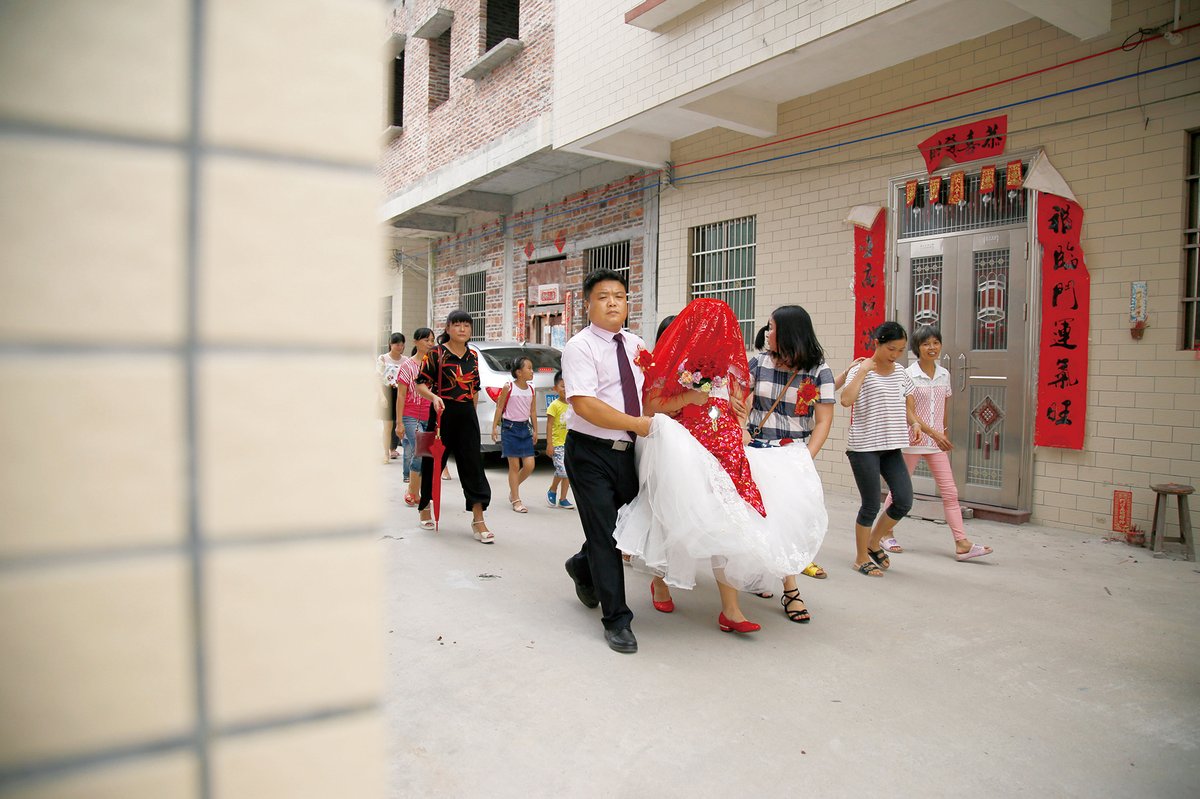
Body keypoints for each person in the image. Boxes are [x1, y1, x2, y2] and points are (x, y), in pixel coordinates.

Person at [617, 299, 823, 634]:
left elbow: (736, 408)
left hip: (725, 451)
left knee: (728, 518)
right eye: (714, 326)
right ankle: (661, 582)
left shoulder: (728, 369)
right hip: (682, 449)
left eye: (724, 327)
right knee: (670, 516)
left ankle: (731, 609)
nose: (721, 333)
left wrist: (738, 420)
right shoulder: (674, 361)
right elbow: (651, 406)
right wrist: (688, 399)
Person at [561, 268, 653, 654]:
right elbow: (584, 404)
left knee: (622, 525)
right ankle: (617, 620)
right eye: (603, 296)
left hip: (630, 452)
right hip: (591, 451)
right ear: (588, 304)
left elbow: (653, 392)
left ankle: (582, 566)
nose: (613, 302)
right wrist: (637, 423)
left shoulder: (636, 345)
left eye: (619, 295)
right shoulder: (580, 347)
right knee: (605, 536)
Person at [743, 304, 834, 621]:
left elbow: (823, 421)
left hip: (793, 453)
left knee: (789, 521)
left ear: (790, 333)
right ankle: (775, 583)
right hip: (757, 450)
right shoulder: (758, 362)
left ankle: (789, 587)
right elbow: (741, 402)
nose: (766, 333)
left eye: (771, 327)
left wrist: (806, 458)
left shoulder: (819, 370)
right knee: (759, 518)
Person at [879, 325, 993, 562]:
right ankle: (885, 532)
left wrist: (943, 432)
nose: (932, 348)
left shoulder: (944, 374)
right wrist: (934, 433)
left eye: (935, 343)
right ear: (916, 348)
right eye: (926, 344)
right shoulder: (907, 375)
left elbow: (944, 407)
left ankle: (962, 543)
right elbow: (908, 412)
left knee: (950, 492)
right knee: (899, 491)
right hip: (913, 440)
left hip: (936, 442)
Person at [840, 321, 923, 577]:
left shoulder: (900, 373)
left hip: (891, 446)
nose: (895, 355)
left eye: (900, 350)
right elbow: (845, 400)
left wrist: (915, 422)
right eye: (891, 348)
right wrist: (863, 370)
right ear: (877, 343)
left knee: (904, 500)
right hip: (864, 447)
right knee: (870, 505)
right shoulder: (863, 369)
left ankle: (873, 542)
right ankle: (861, 557)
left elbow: (906, 405)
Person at [414, 311, 493, 542]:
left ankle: (478, 520)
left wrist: (473, 414)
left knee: (473, 467)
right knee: (433, 463)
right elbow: (420, 384)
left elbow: (474, 388)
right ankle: (425, 506)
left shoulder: (473, 356)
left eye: (466, 325)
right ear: (447, 328)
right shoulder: (436, 354)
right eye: (456, 325)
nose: (462, 329)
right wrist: (433, 398)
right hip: (440, 413)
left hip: (467, 415)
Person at [394, 327, 435, 507]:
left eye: (432, 340)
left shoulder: (434, 365)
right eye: (426, 340)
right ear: (416, 342)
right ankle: (412, 489)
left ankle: (414, 489)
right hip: (411, 416)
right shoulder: (407, 366)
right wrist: (399, 423)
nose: (430, 343)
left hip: (430, 415)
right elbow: (401, 395)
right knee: (420, 450)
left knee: (423, 454)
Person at [491, 355, 538, 513]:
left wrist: (536, 430)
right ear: (518, 372)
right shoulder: (508, 387)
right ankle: (516, 499)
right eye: (529, 368)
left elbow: (532, 411)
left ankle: (513, 488)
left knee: (530, 465)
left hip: (525, 428)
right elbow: (499, 407)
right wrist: (494, 427)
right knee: (514, 465)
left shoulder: (531, 389)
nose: (532, 371)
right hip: (510, 428)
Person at [544, 371, 574, 509]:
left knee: (566, 471)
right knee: (563, 471)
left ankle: (563, 498)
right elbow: (549, 425)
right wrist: (549, 444)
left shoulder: (573, 405)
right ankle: (552, 489)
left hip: (570, 444)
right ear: (555, 388)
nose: (565, 389)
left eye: (568, 386)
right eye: (562, 386)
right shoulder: (554, 406)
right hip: (557, 444)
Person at [377, 332, 406, 464]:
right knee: (388, 426)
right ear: (391, 344)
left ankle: (403, 452)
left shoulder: (406, 360)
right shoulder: (383, 358)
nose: (399, 347)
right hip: (388, 392)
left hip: (402, 393)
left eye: (401, 344)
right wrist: (382, 396)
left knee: (403, 424)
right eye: (396, 344)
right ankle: (385, 453)